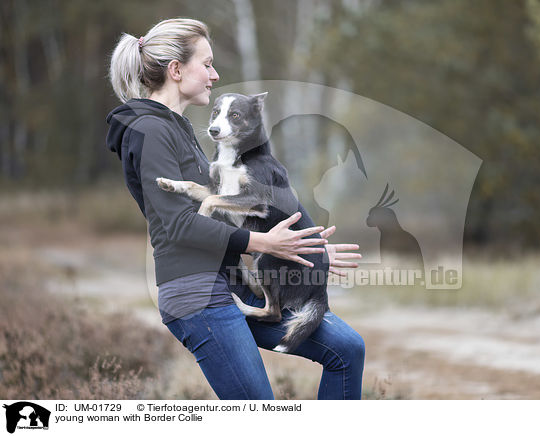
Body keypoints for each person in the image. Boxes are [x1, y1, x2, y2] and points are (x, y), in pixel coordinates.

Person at [106, 18, 364, 400]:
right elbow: (179, 226)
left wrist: (300, 249)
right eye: (206, 64)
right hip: (197, 295)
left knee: (348, 349)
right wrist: (264, 244)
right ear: (176, 70)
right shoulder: (151, 131)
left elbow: (232, 209)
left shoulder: (176, 127)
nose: (215, 74)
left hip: (229, 284)